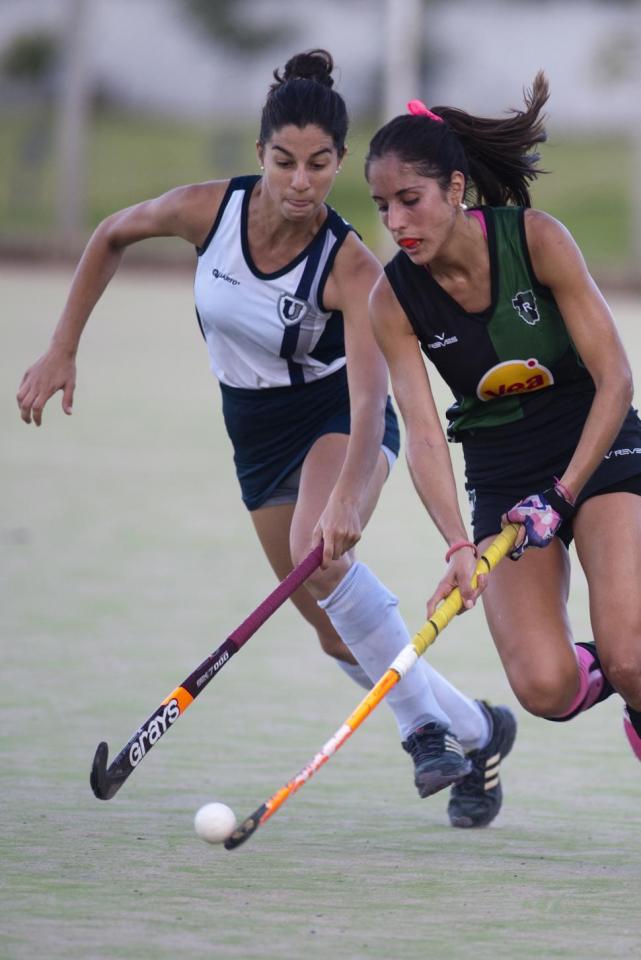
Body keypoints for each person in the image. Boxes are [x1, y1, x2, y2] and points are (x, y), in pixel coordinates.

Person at [16, 49, 517, 826]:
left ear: (339, 164)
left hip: (333, 421)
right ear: (260, 156)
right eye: (283, 161)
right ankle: (479, 730)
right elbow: (112, 234)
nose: (299, 182)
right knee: (332, 635)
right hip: (252, 435)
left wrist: (352, 493)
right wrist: (62, 345)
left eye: (319, 165)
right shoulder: (206, 211)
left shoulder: (349, 266)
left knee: (323, 564)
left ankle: (423, 733)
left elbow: (366, 399)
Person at [365, 72, 641, 767]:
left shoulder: (537, 241)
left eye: (409, 201)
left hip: (597, 449)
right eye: (382, 206)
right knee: (543, 688)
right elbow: (424, 434)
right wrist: (458, 544)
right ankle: (616, 657)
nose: (395, 223)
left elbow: (615, 380)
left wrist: (563, 493)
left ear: (455, 190)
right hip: (502, 472)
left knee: (632, 655)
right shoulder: (392, 299)